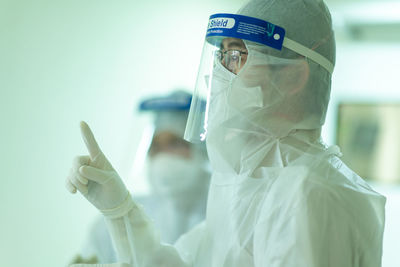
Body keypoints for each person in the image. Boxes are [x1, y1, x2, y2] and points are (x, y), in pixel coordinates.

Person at [66, 0, 386, 266]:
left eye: (237, 56)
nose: (221, 75)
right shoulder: (249, 183)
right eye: (221, 57)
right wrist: (121, 212)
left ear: (293, 74)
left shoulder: (306, 190)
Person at [67, 91, 209, 264]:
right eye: (155, 146)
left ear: (203, 150)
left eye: (175, 143)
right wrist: (118, 213)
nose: (163, 157)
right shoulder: (114, 216)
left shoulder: (226, 216)